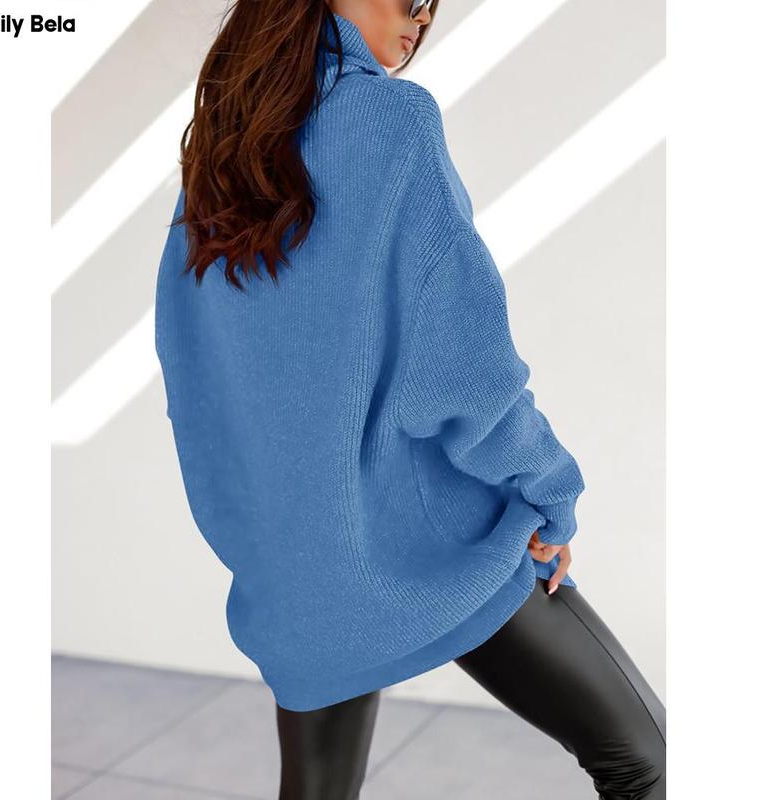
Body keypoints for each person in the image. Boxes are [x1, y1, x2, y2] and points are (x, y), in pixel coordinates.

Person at [154, 1, 666, 798]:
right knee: (648, 758)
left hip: (299, 574)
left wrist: (265, 550)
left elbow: (195, 378)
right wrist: (548, 491)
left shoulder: (221, 150)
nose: (422, 19)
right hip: (429, 553)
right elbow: (462, 364)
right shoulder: (391, 121)